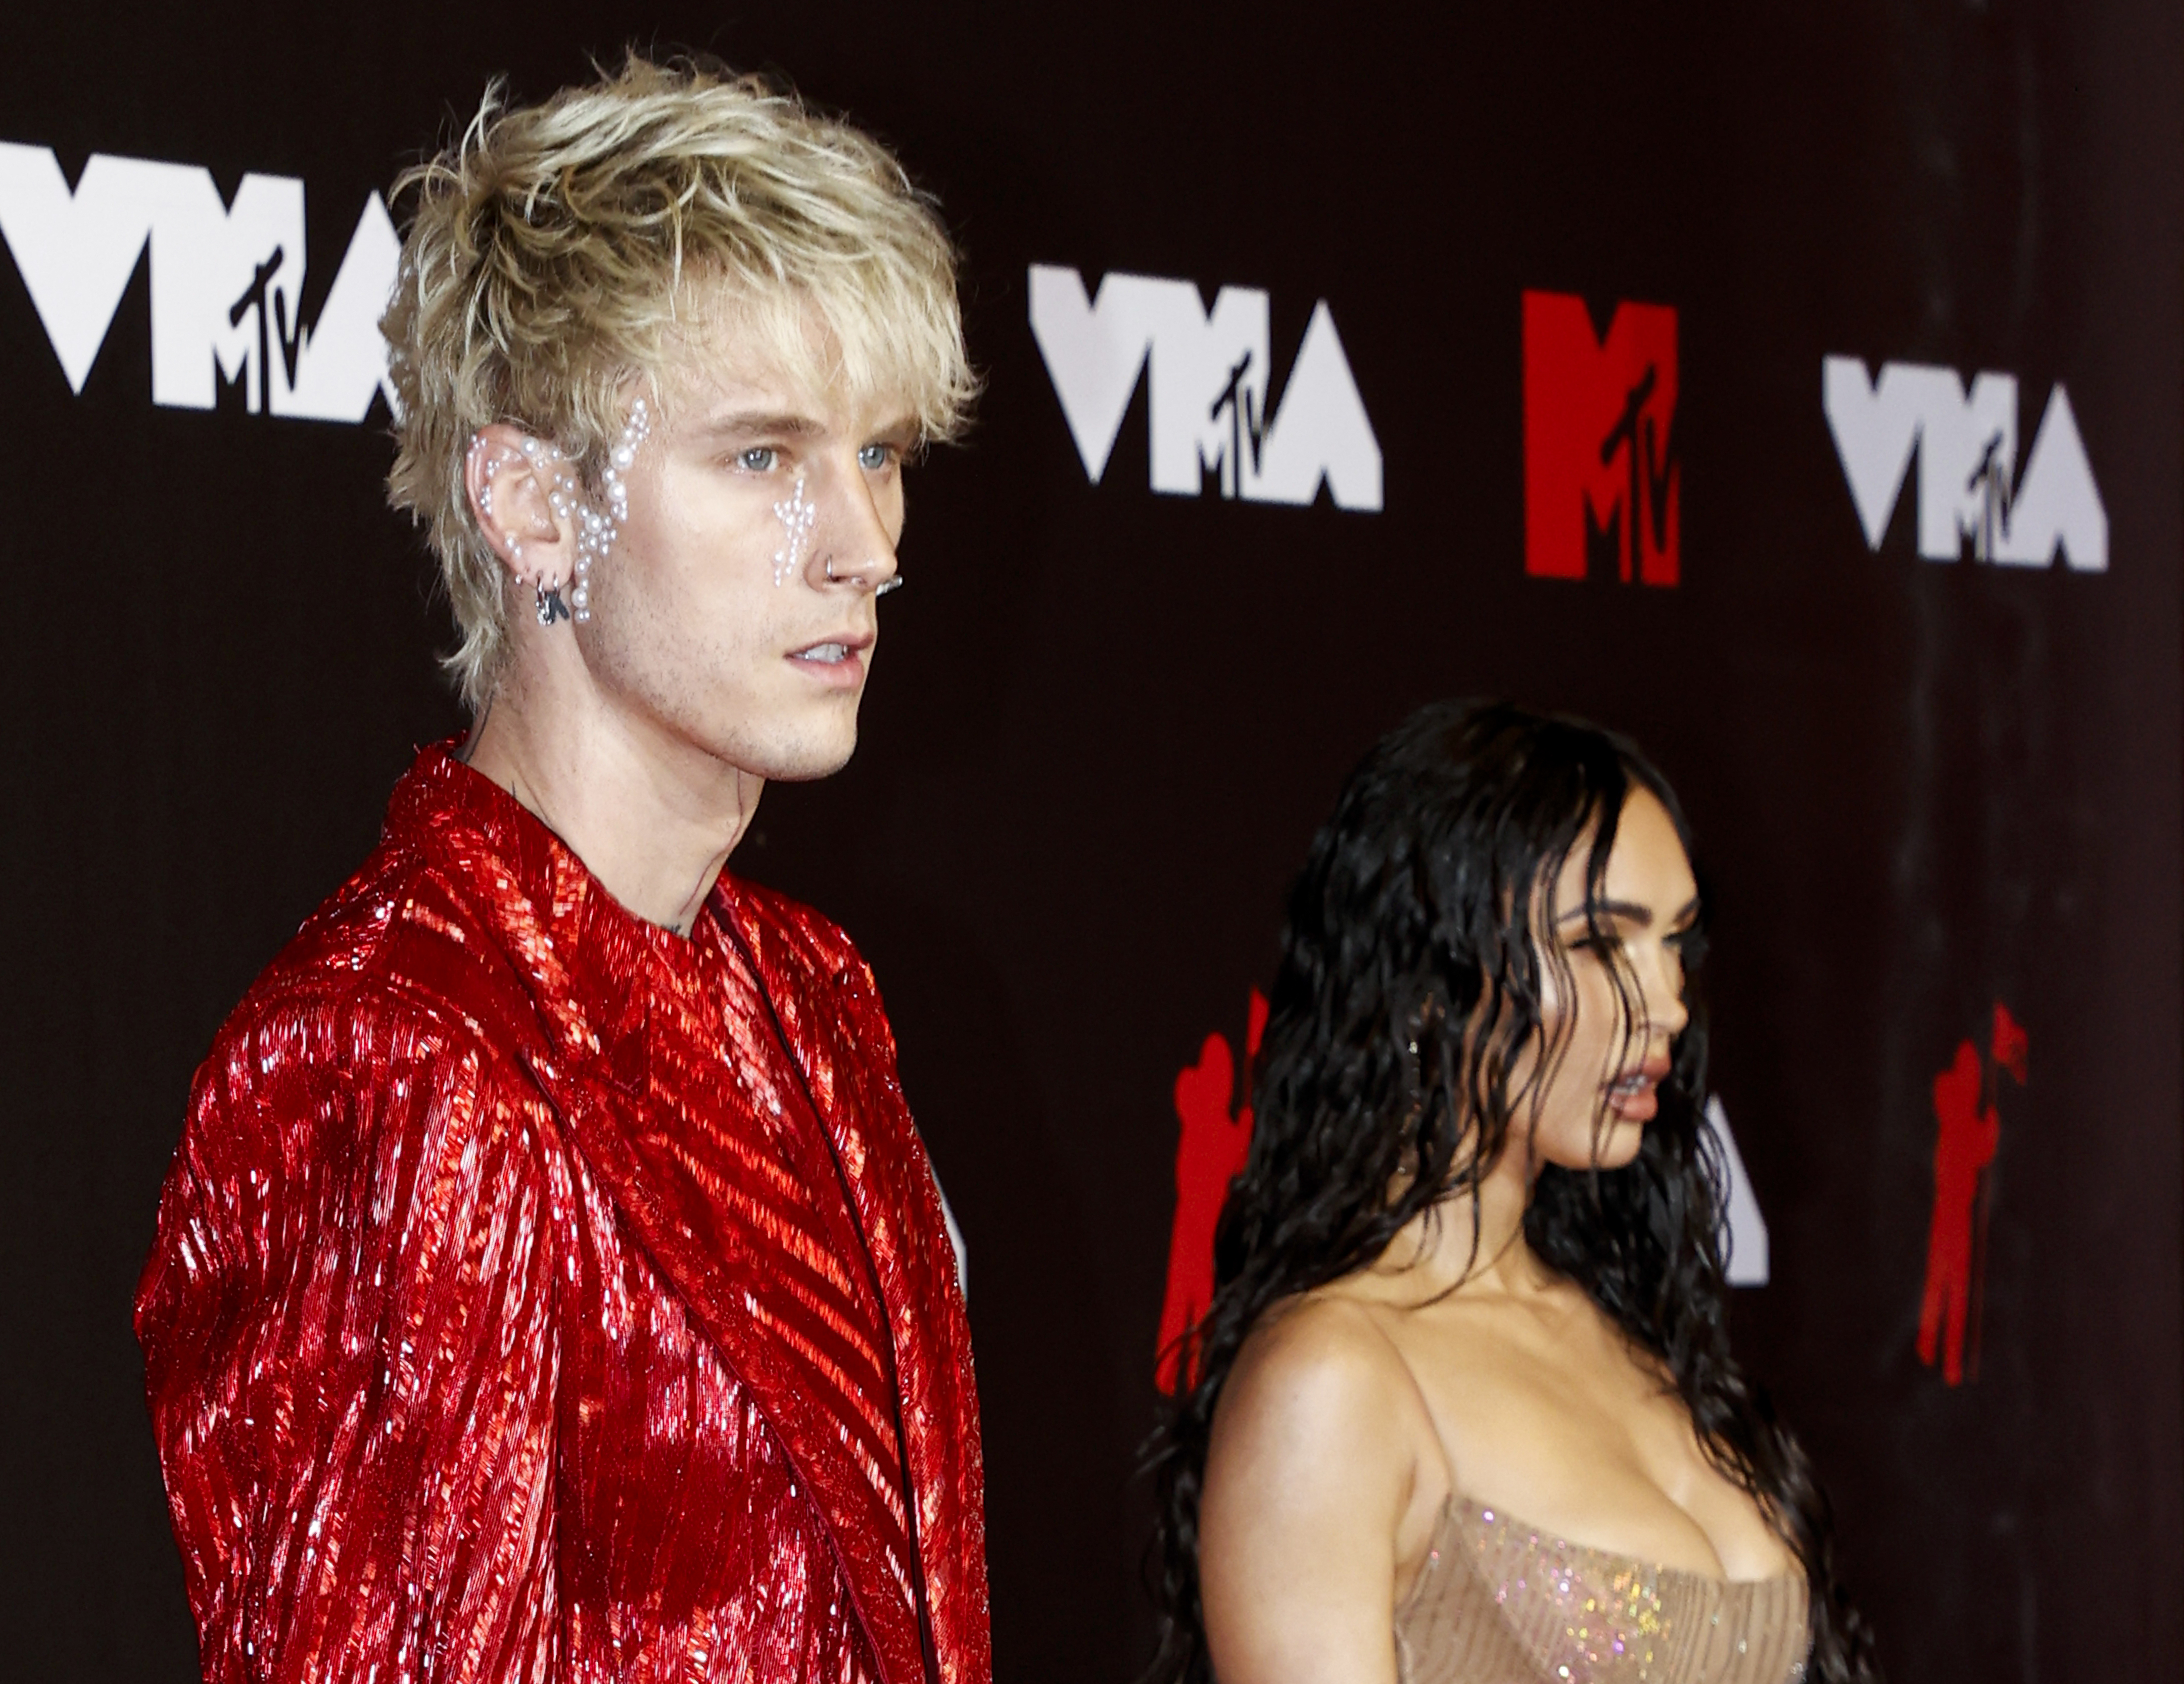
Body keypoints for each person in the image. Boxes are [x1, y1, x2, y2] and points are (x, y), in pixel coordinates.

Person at [133, 58, 988, 1684]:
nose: (865, 543)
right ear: (530, 502)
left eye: (878, 454)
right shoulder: (394, 1059)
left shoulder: (813, 999)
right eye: (761, 457)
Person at [1149, 701, 1876, 1684]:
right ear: (1427, 984)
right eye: (1599, 943)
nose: (1665, 1003)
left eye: (1674, 943)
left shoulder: (1623, 1325)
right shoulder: (1330, 1382)